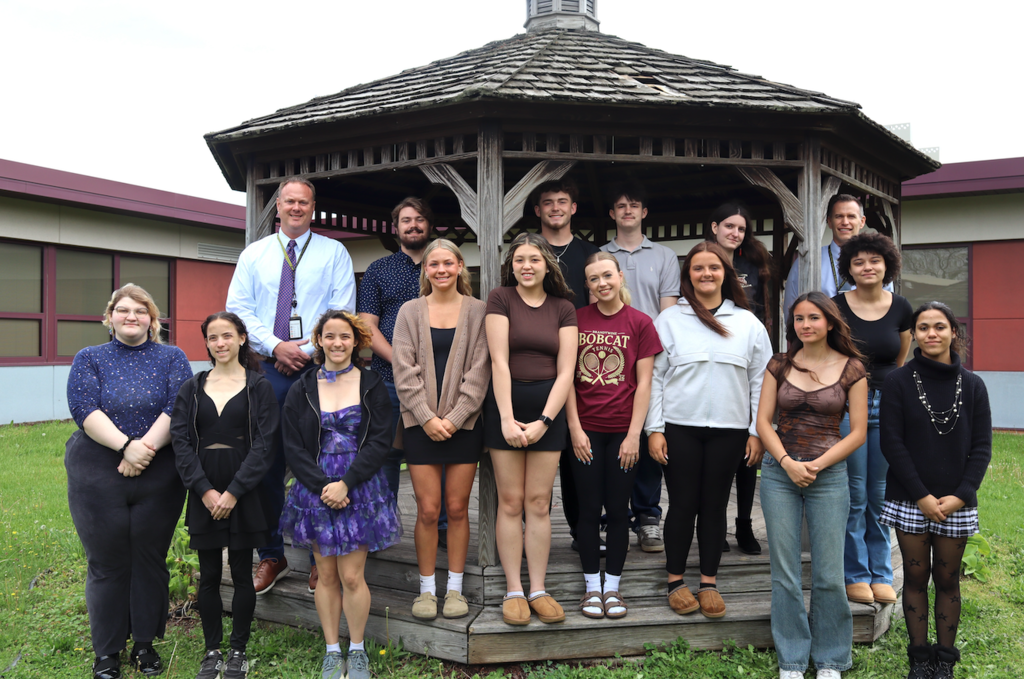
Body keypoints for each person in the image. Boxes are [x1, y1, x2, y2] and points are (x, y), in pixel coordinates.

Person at [226, 176, 357, 595]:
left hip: (320, 369)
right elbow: (238, 310)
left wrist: (312, 349)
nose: (296, 208)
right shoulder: (254, 255)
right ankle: (272, 553)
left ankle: (323, 555)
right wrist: (276, 344)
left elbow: (343, 308)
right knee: (263, 461)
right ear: (277, 207)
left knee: (323, 461)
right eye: (289, 202)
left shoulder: (334, 252)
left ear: (313, 207)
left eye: (304, 202)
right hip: (268, 370)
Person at [66, 283, 193, 679]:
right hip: (97, 472)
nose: (131, 317)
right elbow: (84, 408)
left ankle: (144, 645)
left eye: (140, 311)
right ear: (109, 318)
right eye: (122, 310)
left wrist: (144, 451)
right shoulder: (89, 358)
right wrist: (126, 447)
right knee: (106, 562)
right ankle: (106, 652)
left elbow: (179, 405)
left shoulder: (173, 357)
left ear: (152, 320)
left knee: (149, 559)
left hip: (160, 473)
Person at [646, 242, 770, 619]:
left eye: (713, 268)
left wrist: (756, 431)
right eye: (697, 269)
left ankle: (709, 582)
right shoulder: (669, 321)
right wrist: (654, 428)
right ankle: (675, 581)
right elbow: (654, 378)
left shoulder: (748, 323)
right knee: (683, 504)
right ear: (688, 277)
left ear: (726, 274)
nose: (706, 274)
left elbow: (762, 381)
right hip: (679, 428)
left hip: (730, 432)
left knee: (715, 505)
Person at [279, 310, 401, 679]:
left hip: (360, 487)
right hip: (315, 489)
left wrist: (347, 483)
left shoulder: (372, 384)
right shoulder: (302, 387)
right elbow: (293, 445)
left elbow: (381, 440)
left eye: (344, 337)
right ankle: (332, 651)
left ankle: (358, 650)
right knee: (326, 575)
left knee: (352, 577)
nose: (337, 343)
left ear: (356, 340)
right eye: (329, 336)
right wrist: (322, 487)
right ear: (319, 340)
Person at [755, 291, 868, 679]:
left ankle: (831, 659)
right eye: (800, 319)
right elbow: (763, 423)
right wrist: (787, 463)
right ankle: (791, 659)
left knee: (829, 573)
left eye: (814, 318)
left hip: (828, 476)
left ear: (831, 322)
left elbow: (857, 434)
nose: (806, 325)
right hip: (778, 474)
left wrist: (815, 465)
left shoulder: (852, 368)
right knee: (784, 570)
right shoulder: (779, 364)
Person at [879, 302, 991, 679]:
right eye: (923, 327)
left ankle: (943, 662)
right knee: (914, 579)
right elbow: (891, 443)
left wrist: (961, 494)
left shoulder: (973, 385)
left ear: (953, 333)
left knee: (947, 580)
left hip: (957, 500)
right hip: (911, 498)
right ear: (914, 334)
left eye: (939, 327)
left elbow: (982, 447)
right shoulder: (897, 382)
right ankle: (918, 659)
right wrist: (921, 495)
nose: (931, 333)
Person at [170, 312, 278, 679]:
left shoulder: (258, 387)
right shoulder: (192, 386)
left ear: (242, 339)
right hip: (204, 492)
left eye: (227, 336)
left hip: (243, 492)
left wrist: (232, 492)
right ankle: (212, 650)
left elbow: (265, 445)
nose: (220, 343)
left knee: (242, 575)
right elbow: (181, 443)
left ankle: (238, 652)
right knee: (209, 576)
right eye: (213, 337)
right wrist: (204, 491)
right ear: (207, 343)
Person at [392, 239, 490, 620]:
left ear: (461, 265)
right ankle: (427, 590)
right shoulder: (409, 311)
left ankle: (455, 590)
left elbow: (480, 370)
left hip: (465, 426)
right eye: (434, 264)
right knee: (429, 510)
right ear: (426, 270)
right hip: (419, 424)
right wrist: (427, 416)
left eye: (448, 263)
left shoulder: (479, 311)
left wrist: (455, 416)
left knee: (458, 508)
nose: (442, 270)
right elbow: (403, 368)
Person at [485, 232, 577, 626]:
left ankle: (538, 588)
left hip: (547, 411)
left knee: (539, 502)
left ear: (547, 265)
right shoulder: (500, 298)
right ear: (512, 266)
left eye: (534, 259)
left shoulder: (564, 307)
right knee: (510, 501)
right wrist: (506, 418)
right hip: (504, 406)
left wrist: (545, 421)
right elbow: (499, 362)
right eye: (519, 259)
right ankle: (513, 589)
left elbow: (567, 371)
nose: (526, 266)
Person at [566, 252, 661, 619]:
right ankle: (592, 587)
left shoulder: (640, 323)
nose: (602, 283)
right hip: (586, 431)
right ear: (587, 285)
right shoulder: (576, 320)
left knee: (619, 512)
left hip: (623, 431)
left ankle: (614, 589)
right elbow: (569, 379)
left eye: (607, 275)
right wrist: (574, 428)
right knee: (589, 510)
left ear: (620, 277)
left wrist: (634, 434)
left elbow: (645, 383)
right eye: (594, 279)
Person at [832, 232, 913, 607]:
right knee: (854, 492)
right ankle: (855, 573)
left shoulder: (901, 308)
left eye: (874, 261)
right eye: (859, 261)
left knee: (880, 493)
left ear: (887, 266)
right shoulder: (835, 307)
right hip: (847, 406)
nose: (867, 267)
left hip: (887, 405)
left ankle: (881, 573)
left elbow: (899, 363)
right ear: (849, 268)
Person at [600, 182, 679, 553]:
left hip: (649, 355)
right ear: (612, 214)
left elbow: (667, 312)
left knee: (648, 434)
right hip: (608, 356)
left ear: (644, 212)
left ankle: (648, 518)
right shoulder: (601, 255)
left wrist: (653, 353)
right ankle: (607, 516)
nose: (627, 210)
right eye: (621, 205)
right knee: (609, 435)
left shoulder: (664, 256)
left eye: (634, 204)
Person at [531, 179, 599, 554]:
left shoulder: (590, 253)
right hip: (534, 360)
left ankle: (582, 531)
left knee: (578, 455)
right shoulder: (527, 250)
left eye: (562, 201)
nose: (555, 208)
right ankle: (526, 532)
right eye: (547, 203)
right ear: (538, 210)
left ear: (573, 208)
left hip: (583, 361)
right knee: (533, 452)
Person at [706, 201, 777, 555]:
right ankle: (715, 527)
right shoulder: (701, 261)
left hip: (749, 356)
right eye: (729, 226)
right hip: (709, 359)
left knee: (749, 452)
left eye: (741, 228)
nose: (735, 233)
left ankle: (745, 525)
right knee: (715, 459)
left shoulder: (753, 264)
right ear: (714, 227)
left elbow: (764, 309)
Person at [358, 197, 434, 497]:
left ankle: (439, 524)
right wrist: (400, 362)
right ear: (396, 227)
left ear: (429, 225)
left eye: (419, 219)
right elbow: (366, 326)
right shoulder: (378, 270)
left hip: (437, 379)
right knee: (385, 452)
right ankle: (383, 526)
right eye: (406, 220)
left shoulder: (441, 266)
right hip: (386, 377)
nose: (413, 225)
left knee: (433, 451)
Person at [783, 194, 893, 322]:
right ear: (829, 221)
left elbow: (888, 308)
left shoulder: (876, 265)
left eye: (851, 216)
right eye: (839, 216)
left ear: (862, 221)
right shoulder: (807, 261)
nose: (845, 222)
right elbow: (791, 311)